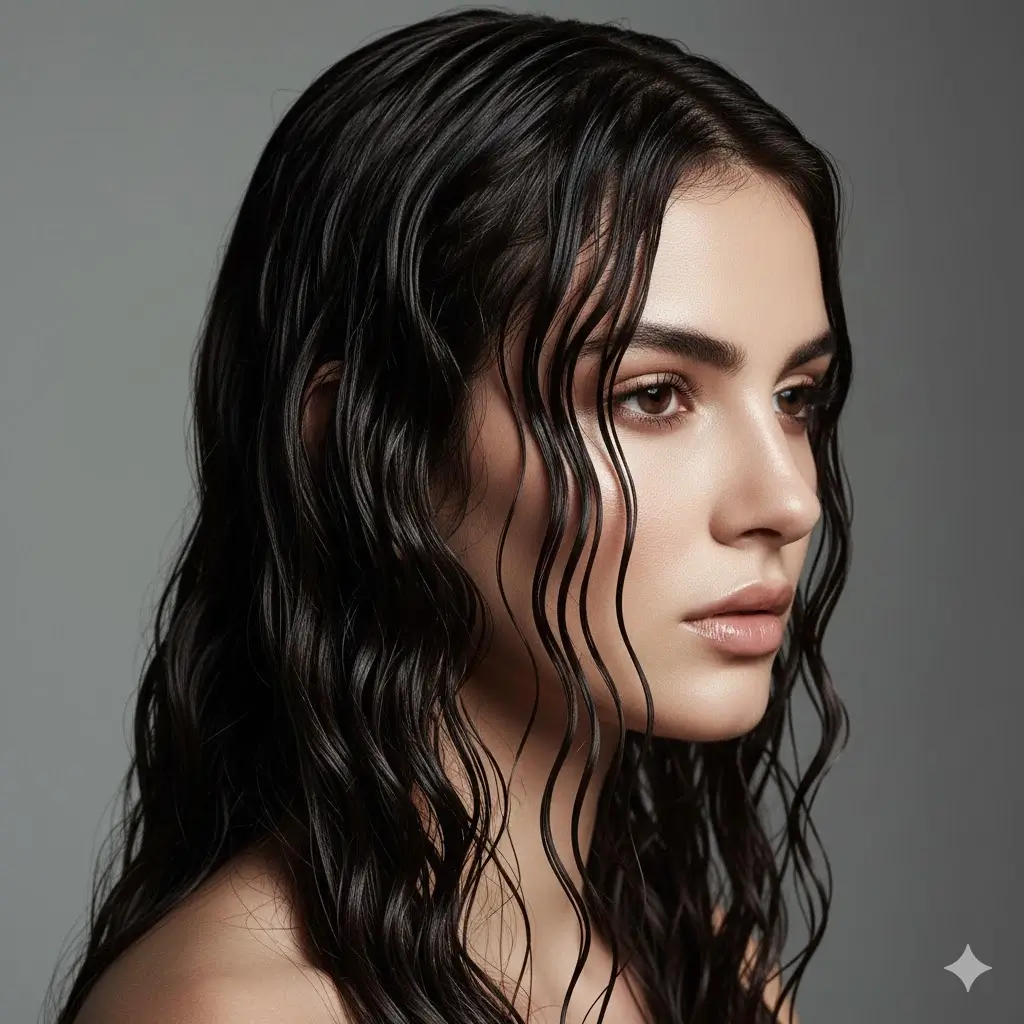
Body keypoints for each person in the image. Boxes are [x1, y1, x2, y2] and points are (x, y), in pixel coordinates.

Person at [46, 7, 853, 1024]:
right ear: (359, 442)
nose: (789, 499)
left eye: (796, 399)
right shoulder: (235, 1010)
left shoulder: (721, 978)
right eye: (651, 396)